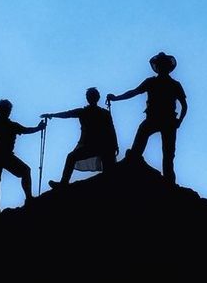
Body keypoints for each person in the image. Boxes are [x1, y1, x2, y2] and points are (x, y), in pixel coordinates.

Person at [107, 51, 187, 184]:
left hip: (165, 121)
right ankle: (134, 166)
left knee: (167, 156)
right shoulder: (157, 83)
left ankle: (169, 185)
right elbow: (133, 92)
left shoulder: (171, 84)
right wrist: (116, 98)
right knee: (161, 153)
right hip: (160, 120)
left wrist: (179, 121)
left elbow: (184, 105)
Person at [42, 87, 118, 189]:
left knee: (72, 157)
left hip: (97, 146)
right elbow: (111, 130)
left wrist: (51, 115)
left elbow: (67, 114)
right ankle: (64, 183)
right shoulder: (101, 113)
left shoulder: (85, 112)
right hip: (102, 145)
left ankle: (63, 183)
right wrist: (52, 115)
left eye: (90, 96)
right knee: (72, 158)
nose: (89, 98)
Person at [0, 99, 45, 213]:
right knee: (23, 172)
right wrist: (38, 128)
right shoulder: (4, 124)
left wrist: (38, 128)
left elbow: (25, 130)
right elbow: (25, 130)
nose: (7, 111)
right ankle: (27, 198)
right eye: (6, 109)